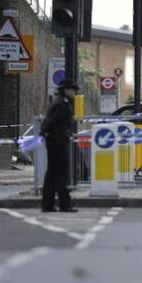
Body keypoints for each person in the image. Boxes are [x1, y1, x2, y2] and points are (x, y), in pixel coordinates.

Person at [40, 79, 79, 213]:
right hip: (58, 141)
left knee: (52, 174)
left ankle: (48, 204)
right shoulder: (63, 104)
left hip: (54, 140)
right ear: (66, 89)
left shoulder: (59, 103)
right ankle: (64, 204)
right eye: (73, 89)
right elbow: (50, 122)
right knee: (60, 173)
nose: (75, 92)